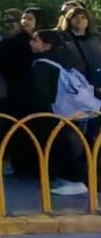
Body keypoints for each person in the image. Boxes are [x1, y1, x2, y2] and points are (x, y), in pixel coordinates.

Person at [30, 29, 92, 196]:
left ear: (47, 45)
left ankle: (73, 180)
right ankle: (74, 178)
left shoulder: (43, 64)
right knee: (72, 145)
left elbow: (43, 93)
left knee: (61, 145)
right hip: (74, 111)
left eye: (36, 40)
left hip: (56, 111)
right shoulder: (65, 60)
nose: (31, 42)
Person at [58, 4, 101, 89]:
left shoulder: (97, 38)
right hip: (75, 85)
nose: (79, 20)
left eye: (83, 17)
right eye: (75, 17)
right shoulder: (63, 40)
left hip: (97, 81)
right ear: (69, 20)